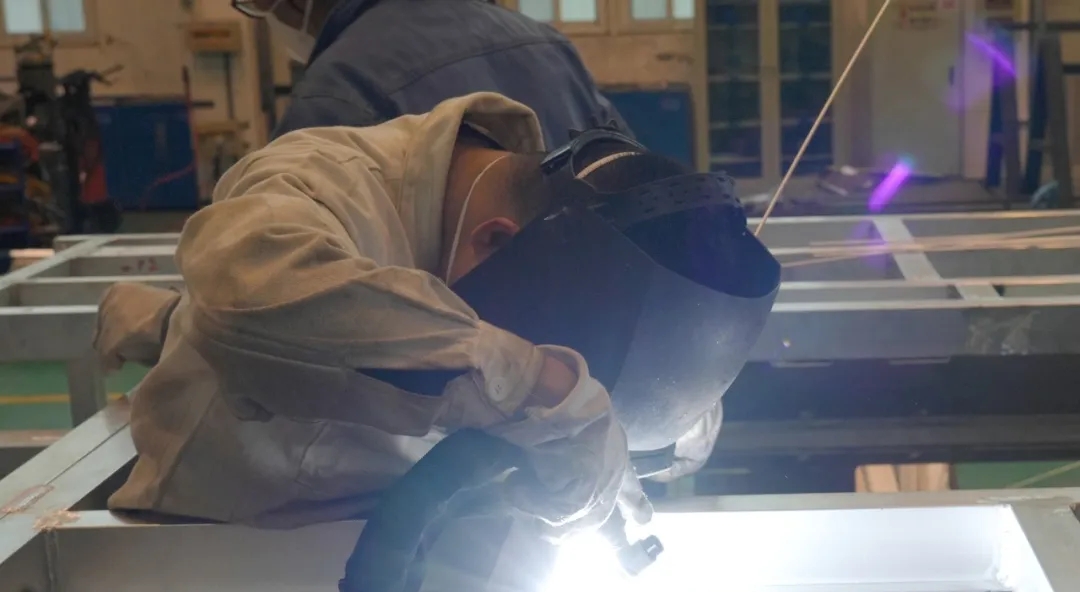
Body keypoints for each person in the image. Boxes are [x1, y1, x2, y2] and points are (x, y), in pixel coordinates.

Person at [94, 93, 778, 538]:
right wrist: (537, 388)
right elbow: (249, 297)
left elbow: (649, 406)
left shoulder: (560, 257)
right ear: (495, 243)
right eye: (544, 351)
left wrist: (631, 438)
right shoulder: (318, 180)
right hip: (214, 558)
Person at [231, 0, 629, 146]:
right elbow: (635, 183)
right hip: (588, 303)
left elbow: (294, 286)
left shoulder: (335, 96)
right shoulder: (546, 45)